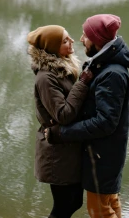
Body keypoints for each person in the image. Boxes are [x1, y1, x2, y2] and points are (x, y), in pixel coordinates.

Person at [45, 14, 129, 218]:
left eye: (86, 35)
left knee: (100, 211)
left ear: (98, 40)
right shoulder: (102, 65)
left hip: (102, 156)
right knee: (110, 203)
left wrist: (63, 133)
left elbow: (105, 122)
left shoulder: (111, 73)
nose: (81, 39)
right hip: (106, 153)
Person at [27, 24, 95, 218]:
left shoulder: (62, 69)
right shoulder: (46, 78)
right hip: (56, 152)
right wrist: (82, 83)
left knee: (74, 202)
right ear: (53, 48)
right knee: (64, 206)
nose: (72, 41)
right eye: (65, 40)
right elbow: (63, 114)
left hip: (67, 148)